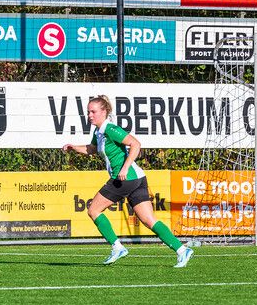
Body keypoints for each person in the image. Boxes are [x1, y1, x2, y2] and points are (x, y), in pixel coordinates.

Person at [62, 95, 193, 268]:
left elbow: (136, 144)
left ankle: (117, 247)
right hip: (137, 178)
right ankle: (182, 250)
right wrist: (73, 147)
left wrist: (124, 168)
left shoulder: (110, 129)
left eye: (93, 112)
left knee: (94, 210)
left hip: (124, 179)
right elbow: (92, 149)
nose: (90, 115)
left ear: (104, 111)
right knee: (148, 220)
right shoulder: (99, 132)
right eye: (88, 112)